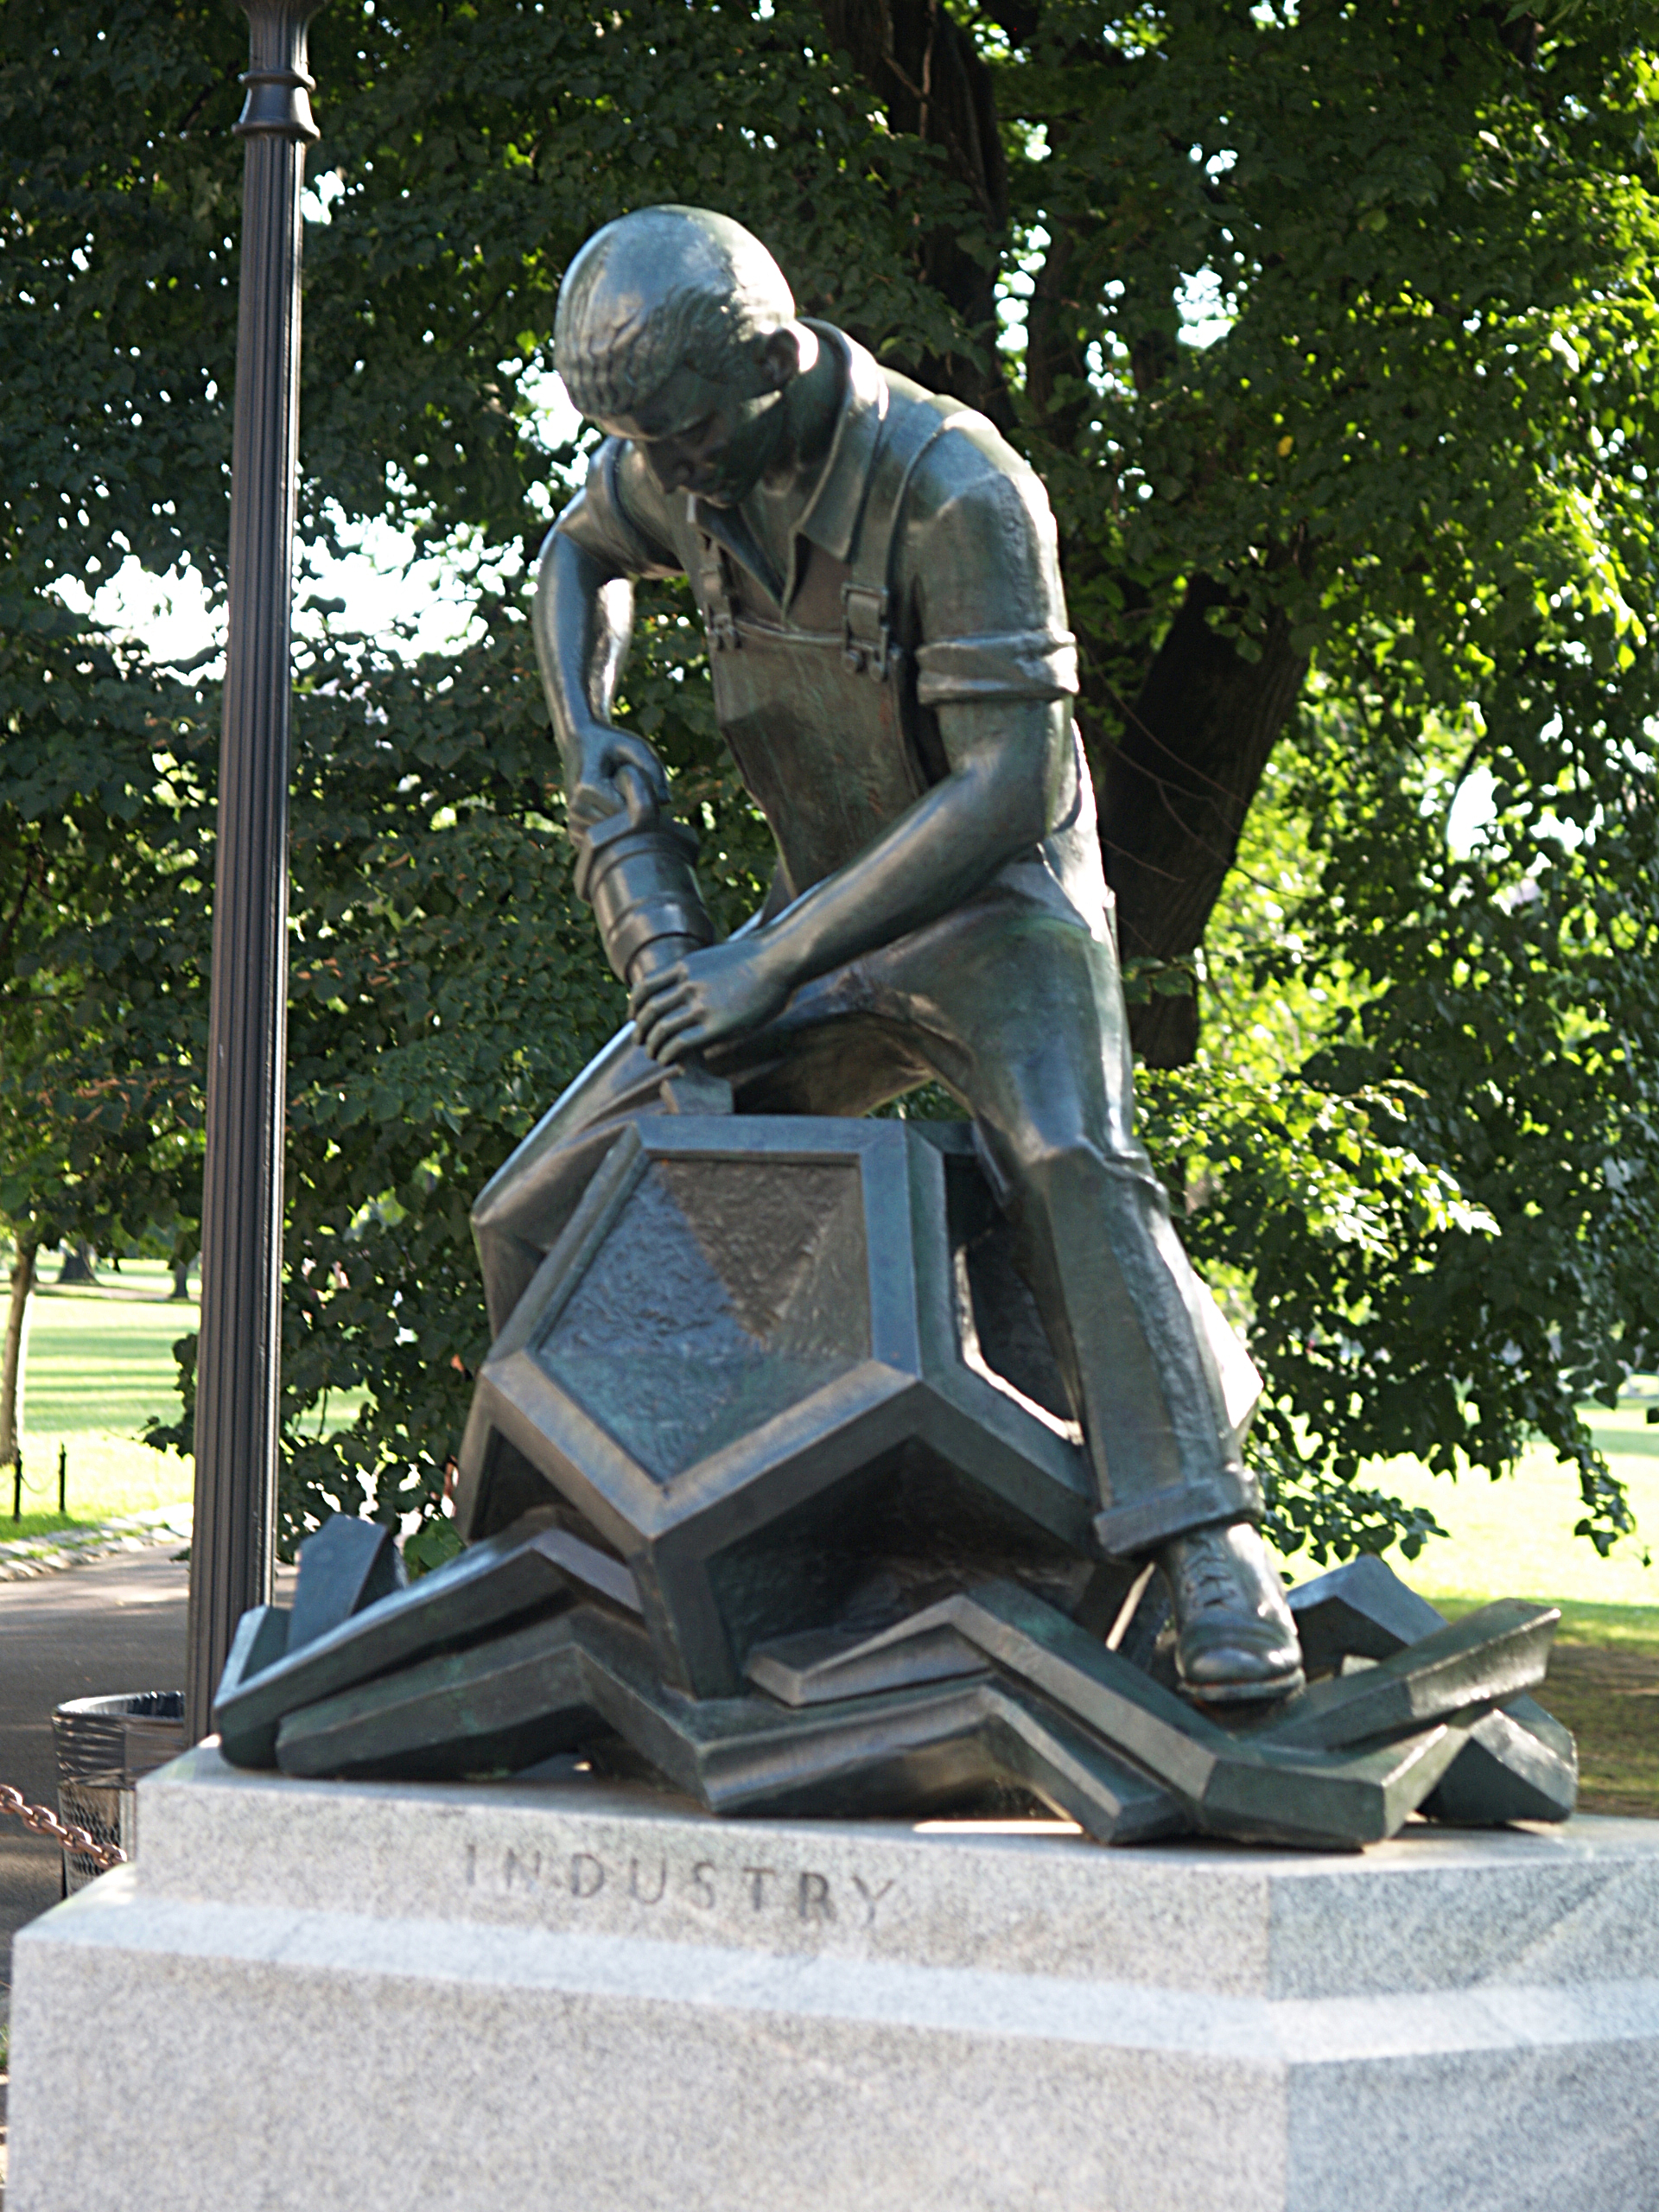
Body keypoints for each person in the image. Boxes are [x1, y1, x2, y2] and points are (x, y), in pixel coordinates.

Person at [474, 204, 1303, 1703]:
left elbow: (1010, 787)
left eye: (683, 435)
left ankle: (1206, 1544)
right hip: (816, 938)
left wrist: (766, 961)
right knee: (543, 1203)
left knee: (1069, 1157)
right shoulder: (683, 463)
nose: (665, 472)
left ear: (774, 363)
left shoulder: (957, 490)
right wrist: (585, 724)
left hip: (997, 918)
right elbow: (575, 554)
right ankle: (573, 1550)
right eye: (638, 443)